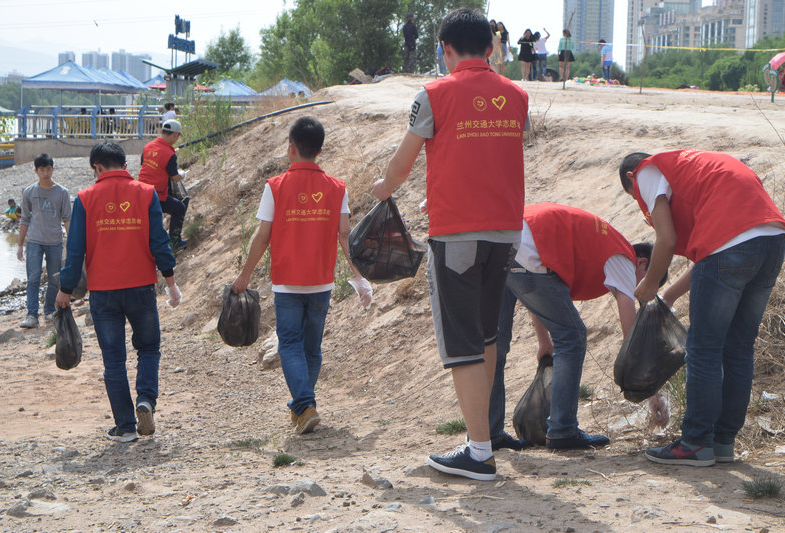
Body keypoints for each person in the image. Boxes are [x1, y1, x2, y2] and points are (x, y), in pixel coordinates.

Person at [373, 7, 529, 481]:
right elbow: (488, 156)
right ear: (491, 47)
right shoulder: (517, 95)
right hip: (507, 232)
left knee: (463, 343)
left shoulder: (433, 94)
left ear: (445, 49)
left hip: (458, 233)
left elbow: (402, 165)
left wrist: (382, 189)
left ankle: (479, 452)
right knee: (486, 336)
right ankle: (481, 438)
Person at [619, 149, 785, 466]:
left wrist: (650, 284)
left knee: (704, 349)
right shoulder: (697, 171)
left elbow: (667, 240)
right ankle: (722, 443)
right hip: (772, 240)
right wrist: (668, 295)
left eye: (635, 197)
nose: (645, 204)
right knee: (739, 348)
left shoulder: (646, 171)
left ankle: (695, 442)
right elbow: (715, 258)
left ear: (631, 177)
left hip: (731, 244)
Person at [232, 116, 372, 436]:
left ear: (291, 148)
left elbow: (262, 237)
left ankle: (305, 405)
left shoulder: (275, 186)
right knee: (312, 348)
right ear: (319, 151)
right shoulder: (337, 188)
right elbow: (345, 235)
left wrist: (244, 276)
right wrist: (359, 275)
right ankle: (303, 407)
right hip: (321, 281)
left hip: (287, 282)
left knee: (290, 345)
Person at [490, 202, 662, 450]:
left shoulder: (595, 247)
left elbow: (541, 298)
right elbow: (631, 334)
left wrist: (544, 342)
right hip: (531, 244)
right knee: (572, 337)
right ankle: (562, 430)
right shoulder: (624, 258)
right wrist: (650, 388)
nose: (639, 292)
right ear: (642, 264)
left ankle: (489, 433)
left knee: (493, 345)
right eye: (647, 283)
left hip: (501, 239)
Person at [56, 141, 180, 443]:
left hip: (103, 292)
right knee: (148, 348)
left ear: (97, 167)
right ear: (125, 166)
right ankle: (146, 400)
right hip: (141, 287)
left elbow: (75, 251)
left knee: (113, 361)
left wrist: (65, 289)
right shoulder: (146, 193)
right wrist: (171, 281)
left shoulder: (84, 199)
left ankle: (125, 427)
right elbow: (159, 241)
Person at [16, 154, 71, 329]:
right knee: (33, 278)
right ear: (36, 171)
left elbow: (67, 219)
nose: (45, 173)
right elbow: (25, 219)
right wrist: (19, 245)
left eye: (48, 169)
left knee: (54, 278)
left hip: (55, 241)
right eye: (42, 170)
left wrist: (71, 243)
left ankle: (49, 311)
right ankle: (32, 315)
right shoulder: (29, 192)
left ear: (52, 169)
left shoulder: (62, 192)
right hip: (34, 241)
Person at [138, 119, 189, 251]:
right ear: (175, 135)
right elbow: (175, 177)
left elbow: (144, 165)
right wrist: (183, 174)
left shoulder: (148, 146)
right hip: (155, 195)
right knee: (179, 208)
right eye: (177, 137)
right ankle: (175, 242)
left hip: (139, 191)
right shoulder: (169, 154)